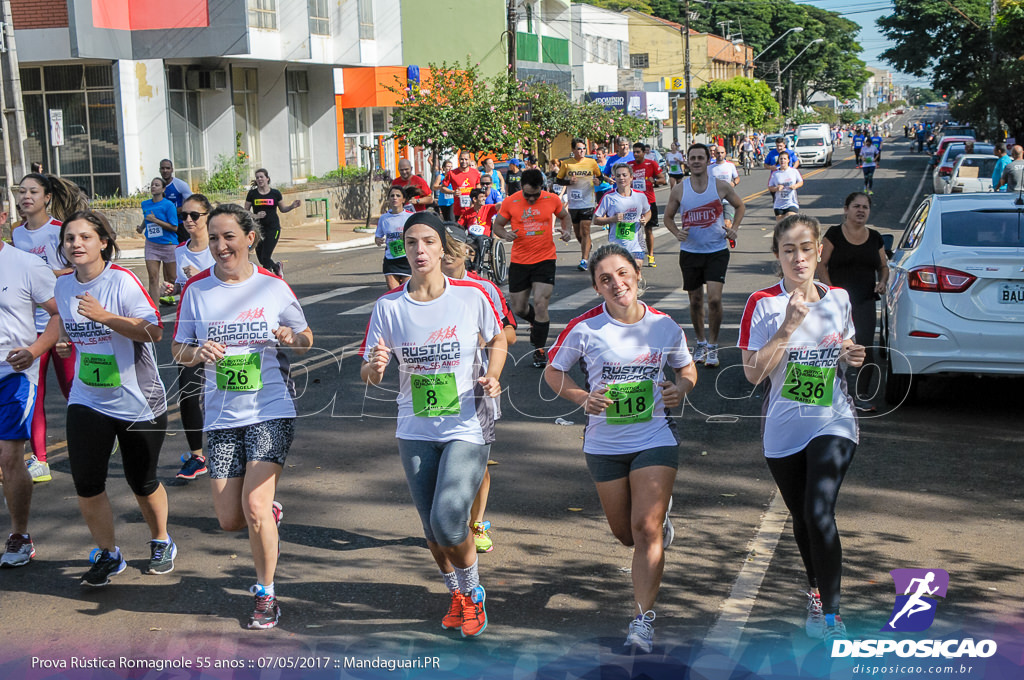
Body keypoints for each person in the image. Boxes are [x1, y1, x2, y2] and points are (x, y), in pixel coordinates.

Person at [544, 243, 697, 653]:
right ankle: (659, 529)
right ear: (597, 287)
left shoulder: (664, 327)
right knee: (626, 534)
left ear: (637, 275)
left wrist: (680, 388)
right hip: (604, 443)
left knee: (644, 528)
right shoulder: (584, 328)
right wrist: (581, 397)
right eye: (605, 279)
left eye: (623, 274)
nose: (617, 283)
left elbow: (687, 368)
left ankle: (642, 621)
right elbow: (553, 371)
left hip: (654, 438)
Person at [360, 210, 507, 638]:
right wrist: (376, 365)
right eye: (410, 243)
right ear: (401, 250)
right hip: (415, 426)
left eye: (428, 241)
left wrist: (493, 374)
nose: (419, 250)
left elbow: (497, 338)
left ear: (444, 248)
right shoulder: (388, 306)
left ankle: (474, 592)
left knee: (448, 519)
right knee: (431, 530)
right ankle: (457, 594)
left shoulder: (470, 296)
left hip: (467, 422)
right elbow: (367, 374)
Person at [172, 203, 313, 629]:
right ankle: (267, 513)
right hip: (221, 416)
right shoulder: (197, 289)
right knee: (230, 519)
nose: (220, 245)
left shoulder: (272, 286)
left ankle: (265, 594)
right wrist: (199, 353)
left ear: (249, 239)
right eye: (213, 237)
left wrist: (292, 335)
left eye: (228, 236)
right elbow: (179, 350)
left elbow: (306, 337)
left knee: (253, 505)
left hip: (271, 407)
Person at [738, 213, 864, 646]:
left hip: (833, 420)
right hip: (784, 428)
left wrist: (850, 353)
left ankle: (832, 614)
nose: (798, 257)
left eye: (805, 248)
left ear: (818, 252)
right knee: (800, 516)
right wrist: (788, 326)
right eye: (788, 250)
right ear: (777, 256)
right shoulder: (763, 303)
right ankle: (815, 589)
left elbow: (844, 340)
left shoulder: (839, 298)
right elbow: (754, 375)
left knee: (818, 512)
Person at [54, 210, 175, 586]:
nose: (76, 244)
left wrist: (105, 317)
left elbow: (153, 331)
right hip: (87, 398)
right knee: (87, 482)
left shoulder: (121, 281)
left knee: (142, 481)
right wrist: (64, 344)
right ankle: (109, 553)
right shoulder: (62, 287)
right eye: (70, 238)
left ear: (103, 242)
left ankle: (161, 540)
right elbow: (73, 330)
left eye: (85, 237)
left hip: (137, 399)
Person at [440, 225, 517, 554]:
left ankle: (476, 522)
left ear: (466, 254)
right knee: (438, 461)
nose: (442, 257)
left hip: (475, 388)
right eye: (437, 249)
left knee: (477, 463)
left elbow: (509, 333)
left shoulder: (482, 289)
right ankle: (444, 520)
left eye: (449, 251)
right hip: (432, 389)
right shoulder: (416, 290)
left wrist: (485, 339)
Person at [0, 192, 60, 568]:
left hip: (13, 373)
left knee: (8, 457)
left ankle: (20, 534)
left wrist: (36, 351)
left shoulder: (23, 264)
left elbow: (57, 315)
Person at [12, 173, 85, 483]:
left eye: (33, 191)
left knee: (73, 390)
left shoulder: (60, 231)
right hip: (30, 329)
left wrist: (41, 272)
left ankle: (97, 433)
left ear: (47, 198)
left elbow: (76, 268)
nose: (26, 196)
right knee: (34, 394)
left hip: (62, 323)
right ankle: (39, 460)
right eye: (21, 191)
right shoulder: (15, 236)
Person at [663, 144, 746, 370]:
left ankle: (713, 345)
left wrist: (734, 228)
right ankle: (700, 342)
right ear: (687, 162)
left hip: (716, 250)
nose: (697, 161)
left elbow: (740, 206)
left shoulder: (720, 186)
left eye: (701, 157)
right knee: (695, 300)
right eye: (693, 158)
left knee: (715, 299)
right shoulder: (680, 189)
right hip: (690, 252)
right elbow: (668, 217)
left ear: (708, 161)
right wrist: (676, 232)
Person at [491, 169, 573, 368]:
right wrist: (505, 235)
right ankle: (538, 324)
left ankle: (539, 349)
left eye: (536, 195)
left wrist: (567, 230)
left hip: (545, 259)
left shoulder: (552, 199)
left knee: (540, 303)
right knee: (519, 307)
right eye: (528, 195)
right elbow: (498, 226)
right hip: (520, 261)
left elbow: (565, 216)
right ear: (521, 188)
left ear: (541, 189)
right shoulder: (511, 202)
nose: (531, 199)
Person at [162, 195, 217, 479]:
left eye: (195, 215)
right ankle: (198, 456)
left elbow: (233, 283)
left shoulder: (219, 247)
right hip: (191, 330)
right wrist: (173, 288)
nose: (189, 221)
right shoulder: (179, 250)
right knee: (187, 392)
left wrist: (201, 276)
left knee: (225, 391)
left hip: (221, 329)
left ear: (208, 216)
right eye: (185, 215)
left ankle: (230, 446)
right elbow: (183, 289)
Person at [817, 192, 888, 413]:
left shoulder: (875, 237)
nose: (861, 210)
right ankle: (823, 393)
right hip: (836, 302)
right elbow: (821, 265)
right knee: (830, 347)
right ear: (846, 209)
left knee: (864, 348)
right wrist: (831, 291)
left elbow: (883, 266)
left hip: (865, 300)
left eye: (865, 207)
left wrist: (883, 281)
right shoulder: (834, 234)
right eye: (856, 206)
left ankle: (861, 395)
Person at [556, 138, 604, 271]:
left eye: (583, 149)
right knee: (578, 234)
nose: (582, 151)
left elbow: (600, 177)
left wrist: (597, 181)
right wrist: (568, 181)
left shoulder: (591, 162)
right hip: (574, 203)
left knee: (585, 230)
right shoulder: (566, 164)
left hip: (588, 201)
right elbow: (558, 180)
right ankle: (587, 246)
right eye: (579, 149)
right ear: (573, 150)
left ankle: (584, 259)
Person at [244, 169, 301, 278]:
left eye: (261, 177)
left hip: (273, 228)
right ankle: (276, 267)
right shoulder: (252, 194)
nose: (259, 179)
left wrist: (292, 206)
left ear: (267, 178)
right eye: (257, 177)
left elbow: (283, 209)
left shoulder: (275, 193)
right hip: (258, 230)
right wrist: (256, 216)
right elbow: (245, 211)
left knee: (266, 257)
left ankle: (271, 279)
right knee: (261, 258)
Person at [593, 163, 651, 268]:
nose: (621, 178)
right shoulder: (609, 197)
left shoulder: (640, 196)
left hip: (637, 244)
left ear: (631, 177)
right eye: (618, 175)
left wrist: (645, 219)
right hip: (616, 245)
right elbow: (596, 220)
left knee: (636, 270)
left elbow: (648, 211)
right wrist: (612, 219)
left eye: (624, 175)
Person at [138, 177, 180, 305]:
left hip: (168, 244)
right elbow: (147, 218)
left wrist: (156, 220)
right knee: (152, 277)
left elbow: (174, 227)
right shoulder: (145, 204)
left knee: (173, 278)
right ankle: (154, 310)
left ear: (163, 189)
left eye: (157, 185)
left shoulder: (168, 205)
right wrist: (141, 227)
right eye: (152, 185)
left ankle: (182, 304)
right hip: (151, 245)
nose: (153, 187)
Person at [627, 143, 665, 268]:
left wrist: (654, 181)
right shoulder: (630, 165)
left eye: (638, 152)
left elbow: (662, 179)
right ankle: (633, 255)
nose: (636, 154)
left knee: (648, 230)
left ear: (644, 152)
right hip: (633, 201)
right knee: (632, 230)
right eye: (634, 152)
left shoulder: (651, 164)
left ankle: (651, 255)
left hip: (649, 201)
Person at [375, 186, 414, 290]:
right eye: (392, 196)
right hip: (390, 259)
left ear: (403, 199)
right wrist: (378, 240)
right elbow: (378, 236)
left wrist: (407, 236)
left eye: (398, 196)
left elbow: (418, 236)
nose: (394, 198)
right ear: (388, 199)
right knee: (394, 292)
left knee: (406, 291)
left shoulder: (410, 216)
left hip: (407, 259)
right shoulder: (384, 218)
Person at [158, 159, 193, 243]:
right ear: (159, 170)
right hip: (164, 224)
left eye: (167, 168)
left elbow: (191, 203)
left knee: (184, 248)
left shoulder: (180, 185)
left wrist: (175, 210)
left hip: (179, 224)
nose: (165, 171)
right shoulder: (157, 185)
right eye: (162, 168)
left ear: (172, 170)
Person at [709, 145, 741, 233]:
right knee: (716, 225)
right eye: (718, 153)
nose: (720, 155)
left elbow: (737, 178)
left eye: (722, 153)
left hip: (728, 199)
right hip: (714, 200)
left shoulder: (730, 165)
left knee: (727, 223)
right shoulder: (709, 168)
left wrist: (734, 183)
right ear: (714, 154)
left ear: (725, 153)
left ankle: (731, 236)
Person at [442, 152, 482, 221]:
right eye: (462, 159)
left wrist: (477, 199)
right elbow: (442, 188)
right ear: (458, 159)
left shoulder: (475, 173)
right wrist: (453, 192)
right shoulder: (452, 173)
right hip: (458, 210)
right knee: (459, 231)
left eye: (466, 159)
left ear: (470, 160)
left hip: (473, 209)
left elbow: (478, 187)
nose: (464, 161)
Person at [768, 151, 803, 221]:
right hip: (779, 204)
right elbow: (770, 187)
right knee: (781, 227)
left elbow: (801, 182)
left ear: (788, 160)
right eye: (781, 159)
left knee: (790, 221)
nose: (782, 161)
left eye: (784, 159)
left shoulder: (794, 171)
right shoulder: (775, 174)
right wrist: (776, 188)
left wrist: (795, 186)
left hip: (791, 202)